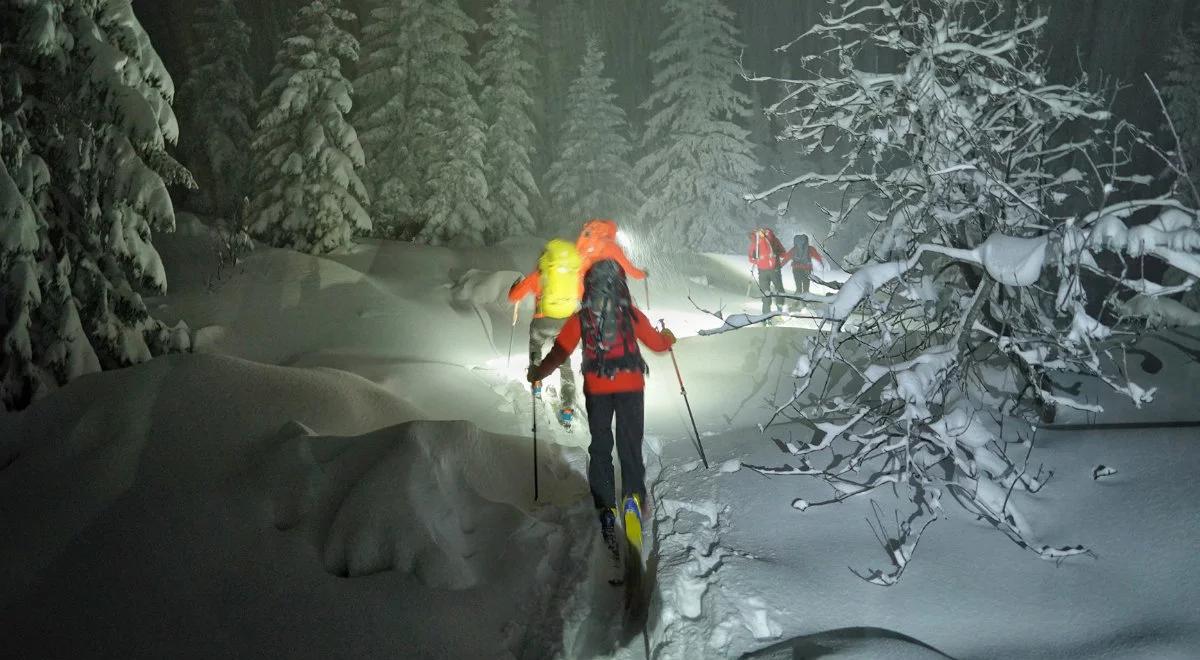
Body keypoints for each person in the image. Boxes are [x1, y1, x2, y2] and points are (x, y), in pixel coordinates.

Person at [527, 259, 675, 580]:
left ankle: (605, 507)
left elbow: (560, 351)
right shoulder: (630, 314)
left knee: (601, 446)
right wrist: (669, 337)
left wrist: (539, 371)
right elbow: (658, 344)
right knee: (629, 445)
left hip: (597, 388)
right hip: (632, 385)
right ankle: (633, 499)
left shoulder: (582, 318)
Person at [509, 239, 583, 427]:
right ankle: (567, 409)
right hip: (565, 324)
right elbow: (583, 295)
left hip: (542, 322)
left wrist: (514, 288)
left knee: (535, 346)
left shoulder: (540, 276)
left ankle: (536, 384)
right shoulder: (573, 277)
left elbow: (514, 296)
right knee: (564, 364)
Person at [576, 219, 646, 280]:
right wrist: (643, 274)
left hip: (583, 290)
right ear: (611, 231)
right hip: (604, 288)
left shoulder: (584, 247)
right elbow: (630, 269)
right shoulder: (610, 246)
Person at [748, 227, 790, 314]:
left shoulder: (756, 242)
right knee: (779, 289)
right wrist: (776, 255)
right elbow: (784, 254)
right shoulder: (774, 240)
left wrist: (759, 261)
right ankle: (780, 310)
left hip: (762, 271)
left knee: (765, 292)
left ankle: (766, 316)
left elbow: (751, 258)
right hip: (775, 270)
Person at [789, 233, 823, 308]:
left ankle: (796, 303)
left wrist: (778, 266)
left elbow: (786, 257)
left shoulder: (794, 249)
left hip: (796, 269)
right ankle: (804, 304)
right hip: (807, 270)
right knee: (806, 287)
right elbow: (817, 256)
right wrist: (821, 263)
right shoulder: (810, 248)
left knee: (798, 287)